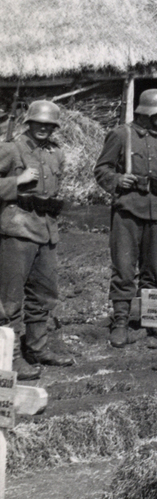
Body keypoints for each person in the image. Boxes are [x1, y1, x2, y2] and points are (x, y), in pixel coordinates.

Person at [94, 88, 157, 348]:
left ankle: (152, 319)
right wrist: (118, 180)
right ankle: (120, 322)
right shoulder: (122, 135)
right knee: (123, 268)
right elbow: (101, 170)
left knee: (152, 269)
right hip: (128, 210)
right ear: (148, 112)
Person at [0, 101, 73, 376]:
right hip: (16, 230)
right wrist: (15, 182)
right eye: (39, 123)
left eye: (50, 125)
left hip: (46, 230)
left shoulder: (56, 153)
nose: (44, 128)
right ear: (28, 123)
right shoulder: (10, 149)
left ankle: (37, 348)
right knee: (9, 300)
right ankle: (10, 357)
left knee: (44, 294)